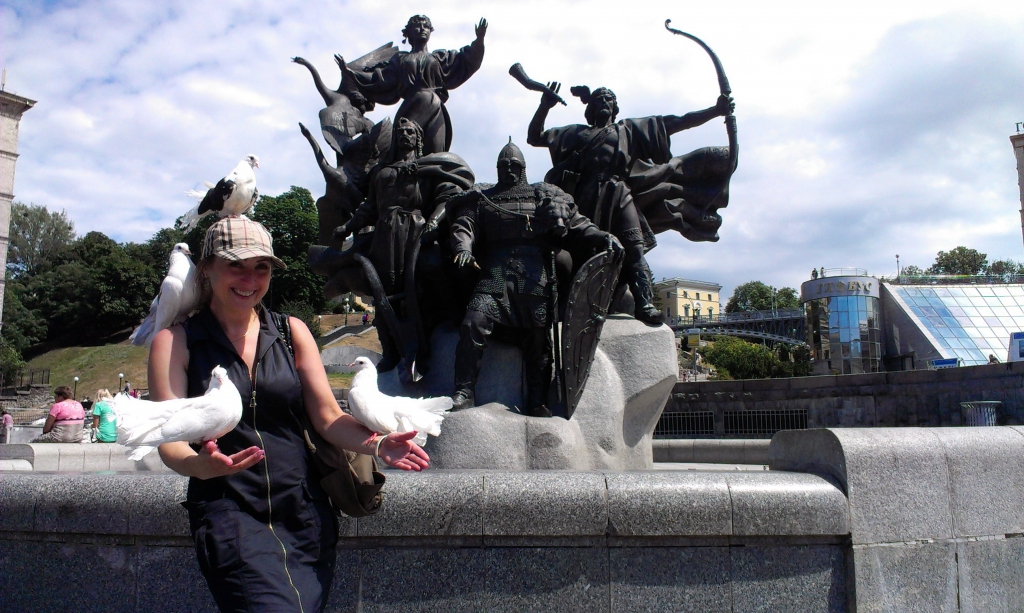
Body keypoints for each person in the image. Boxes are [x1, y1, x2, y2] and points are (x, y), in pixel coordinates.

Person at [150, 216, 429, 612]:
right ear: (207, 267)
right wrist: (201, 465)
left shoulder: (291, 331)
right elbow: (170, 442)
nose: (250, 279)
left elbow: (328, 417)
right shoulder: (175, 341)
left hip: (304, 514)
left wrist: (378, 443)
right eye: (236, 265)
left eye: (261, 267)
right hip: (231, 513)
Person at [528, 84, 733, 324]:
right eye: (599, 99)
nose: (604, 102)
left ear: (615, 107)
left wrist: (715, 111)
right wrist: (544, 106)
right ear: (590, 107)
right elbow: (535, 137)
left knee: (634, 247)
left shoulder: (628, 130)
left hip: (618, 194)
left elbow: (676, 122)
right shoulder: (576, 133)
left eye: (609, 99)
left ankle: (644, 303)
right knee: (579, 252)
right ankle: (570, 303)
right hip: (584, 198)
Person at [448, 140, 620, 416]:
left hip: (534, 276)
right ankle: (464, 391)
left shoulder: (542, 196)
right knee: (472, 323)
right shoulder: (482, 198)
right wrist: (463, 249)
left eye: (514, 165)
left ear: (523, 168)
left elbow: (576, 223)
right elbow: (464, 226)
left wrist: (603, 236)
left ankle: (537, 401)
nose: (509, 170)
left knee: (539, 341)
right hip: (495, 273)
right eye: (504, 166)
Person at [340, 14, 487, 155]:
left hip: (435, 108)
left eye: (426, 26)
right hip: (412, 105)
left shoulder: (440, 58)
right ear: (408, 33)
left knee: (436, 155)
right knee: (403, 150)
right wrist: (352, 73)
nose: (422, 29)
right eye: (417, 26)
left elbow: (466, 60)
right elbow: (380, 79)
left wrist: (479, 40)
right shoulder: (400, 59)